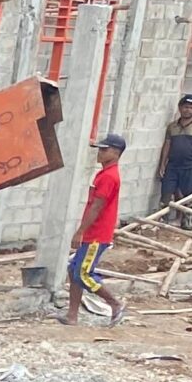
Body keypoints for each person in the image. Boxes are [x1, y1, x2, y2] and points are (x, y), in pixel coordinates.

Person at [64, 133, 127, 326]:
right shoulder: (104, 173)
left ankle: (115, 303)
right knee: (73, 268)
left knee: (83, 273)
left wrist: (80, 231)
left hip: (97, 234)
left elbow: (97, 207)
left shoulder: (109, 176)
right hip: (94, 232)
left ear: (116, 153)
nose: (99, 153)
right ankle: (72, 315)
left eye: (104, 150)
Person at [159, 94, 192, 220]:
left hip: (191, 166)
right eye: (186, 107)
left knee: (190, 195)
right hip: (173, 164)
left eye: (191, 108)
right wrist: (163, 164)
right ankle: (163, 220)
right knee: (166, 192)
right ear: (180, 108)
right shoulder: (172, 126)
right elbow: (167, 144)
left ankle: (186, 220)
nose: (188, 110)